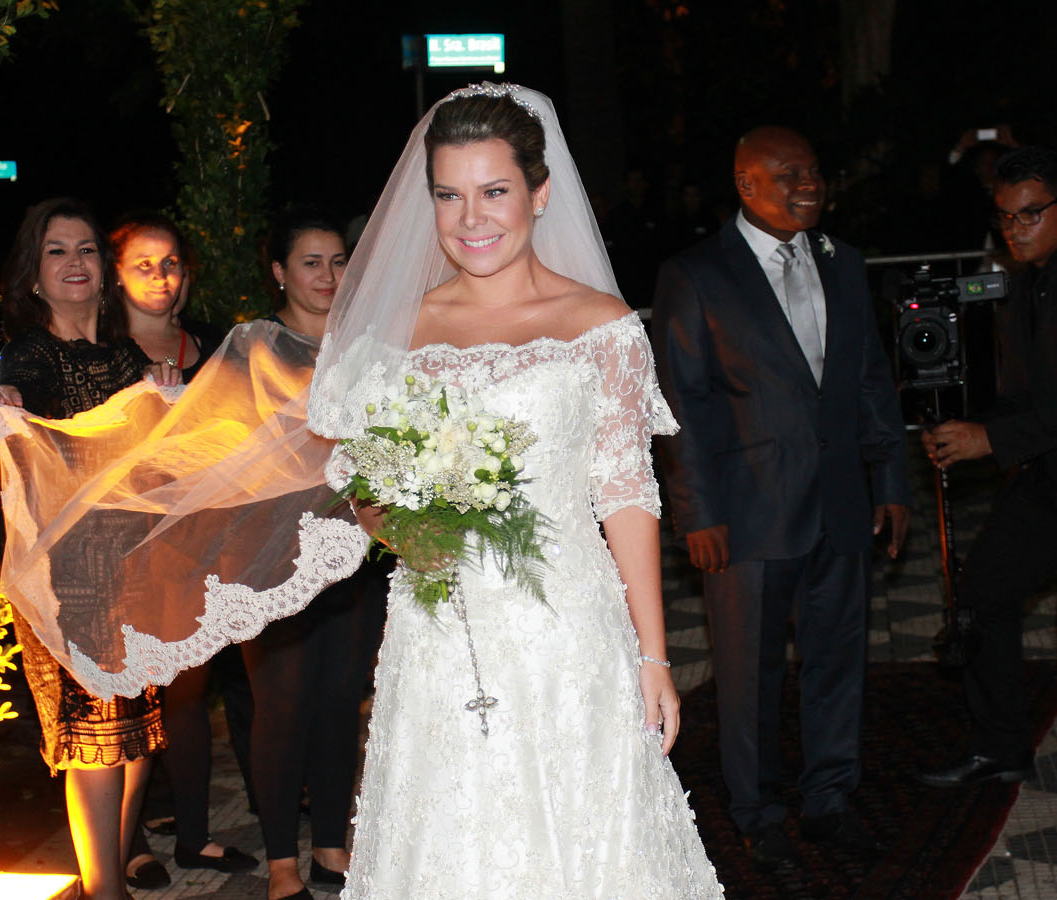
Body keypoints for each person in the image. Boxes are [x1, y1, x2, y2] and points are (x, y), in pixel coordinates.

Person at [306, 84, 720, 898]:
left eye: (494, 191)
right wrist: (398, 525)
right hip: (437, 634)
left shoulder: (599, 325)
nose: (472, 218)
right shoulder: (397, 329)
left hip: (571, 633)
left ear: (539, 193)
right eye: (449, 196)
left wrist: (654, 655)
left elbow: (626, 492)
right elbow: (361, 479)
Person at [650, 126, 911, 872]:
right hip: (747, 514)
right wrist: (697, 512)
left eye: (815, 171)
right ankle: (757, 813)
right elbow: (682, 403)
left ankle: (830, 798)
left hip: (841, 504)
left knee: (838, 665)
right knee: (749, 679)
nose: (810, 184)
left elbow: (868, 381)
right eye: (790, 173)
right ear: (746, 183)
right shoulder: (697, 273)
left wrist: (889, 482)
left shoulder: (845, 263)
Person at [0, 197, 179, 900]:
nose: (75, 264)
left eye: (86, 250)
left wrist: (167, 406)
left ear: (105, 271)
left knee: (134, 733)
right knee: (96, 741)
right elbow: (35, 435)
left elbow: (155, 465)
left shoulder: (125, 355)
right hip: (72, 574)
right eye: (56, 252)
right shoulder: (31, 355)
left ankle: (113, 876)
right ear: (34, 277)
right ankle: (104, 891)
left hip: (135, 564)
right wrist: (2, 404)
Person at [105, 212, 256, 886]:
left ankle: (194, 836)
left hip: (200, 546)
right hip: (126, 552)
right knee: (127, 702)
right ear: (116, 277)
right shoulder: (103, 352)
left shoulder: (213, 347)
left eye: (170, 264)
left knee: (189, 696)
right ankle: (126, 846)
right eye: (143, 264)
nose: (160, 277)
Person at [243, 209, 387, 900]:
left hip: (355, 551)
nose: (327, 276)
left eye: (337, 262)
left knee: (338, 700)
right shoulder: (255, 346)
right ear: (279, 271)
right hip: (276, 557)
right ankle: (280, 865)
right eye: (310, 262)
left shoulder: (365, 346)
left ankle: (331, 845)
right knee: (283, 705)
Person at [917, 146, 1057, 788]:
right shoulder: (1029, 281)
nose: (1015, 230)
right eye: (1005, 218)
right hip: (1044, 473)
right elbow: (1031, 394)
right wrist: (970, 428)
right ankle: (1001, 747)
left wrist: (989, 439)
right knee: (983, 593)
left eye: (1030, 215)